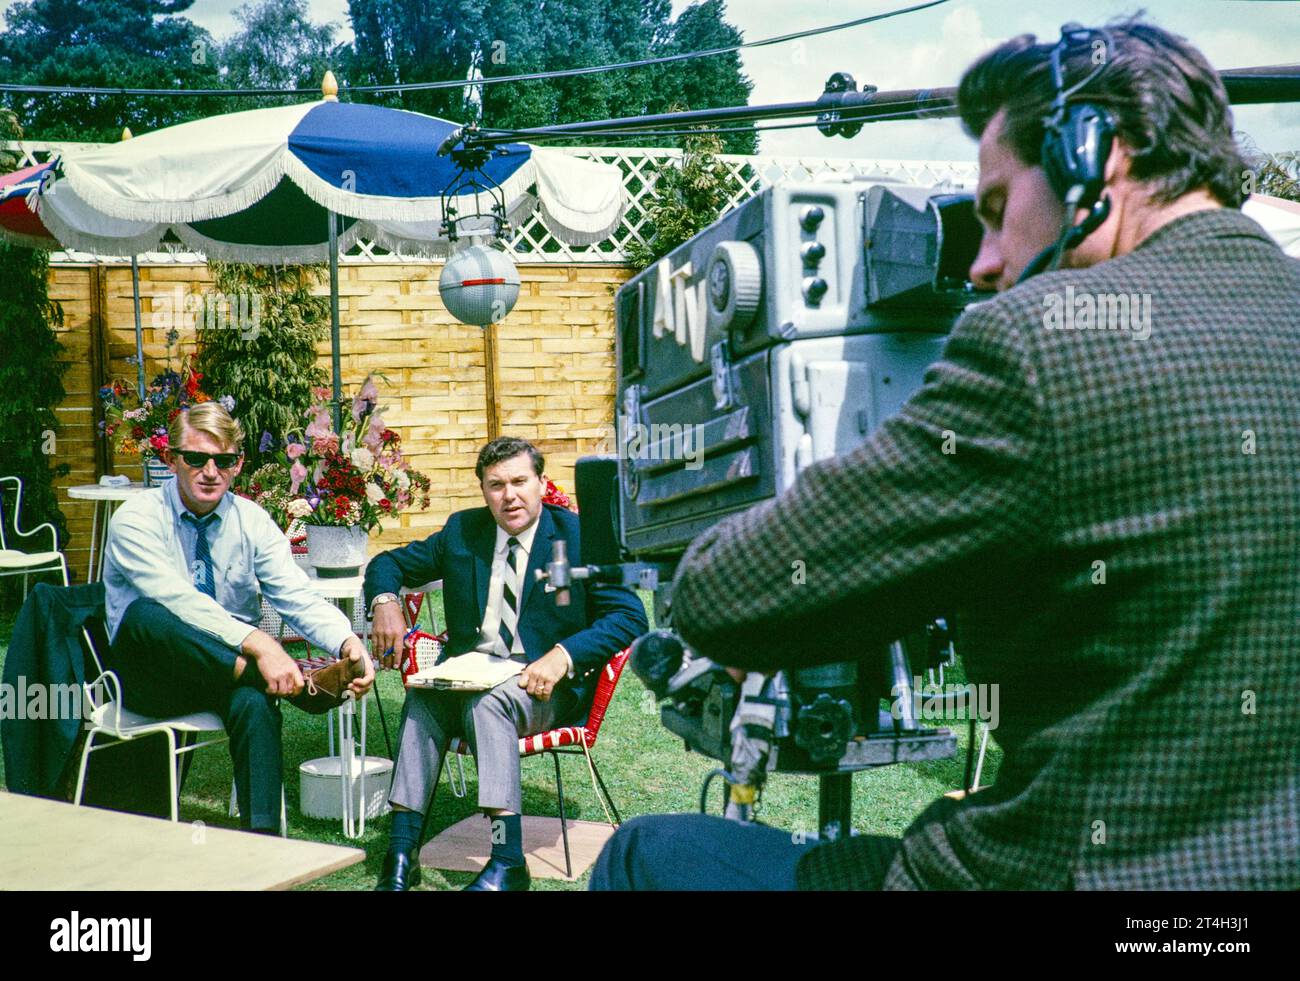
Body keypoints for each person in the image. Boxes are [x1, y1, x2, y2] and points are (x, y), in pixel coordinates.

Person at [591, 18, 1300, 890]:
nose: (986, 264)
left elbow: (727, 596)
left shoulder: (1044, 341)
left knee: (644, 855)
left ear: (1096, 155)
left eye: (997, 212)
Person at [365, 435, 647, 891]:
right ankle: (401, 853)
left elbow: (630, 615)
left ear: (540, 483)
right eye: (496, 485)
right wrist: (384, 602)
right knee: (422, 699)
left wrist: (564, 655)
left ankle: (507, 858)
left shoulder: (580, 537)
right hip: (469, 675)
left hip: (544, 687)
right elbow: (388, 563)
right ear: (483, 491)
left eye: (520, 481)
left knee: (489, 704)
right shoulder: (462, 532)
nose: (509, 495)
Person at [104, 402, 374, 833]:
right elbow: (179, 600)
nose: (210, 471)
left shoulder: (253, 521)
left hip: (229, 671)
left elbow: (295, 594)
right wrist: (263, 645)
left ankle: (263, 841)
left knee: (255, 702)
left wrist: (348, 641)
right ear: (172, 459)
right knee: (146, 615)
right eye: (196, 458)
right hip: (153, 676)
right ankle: (302, 687)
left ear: (238, 463)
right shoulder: (135, 518)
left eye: (224, 460)